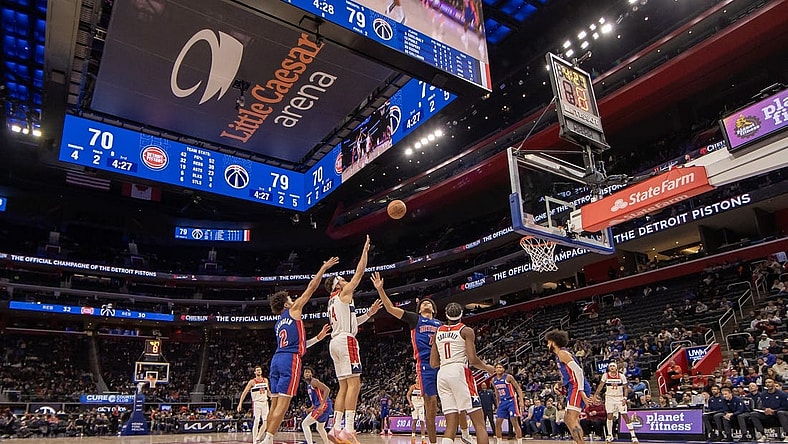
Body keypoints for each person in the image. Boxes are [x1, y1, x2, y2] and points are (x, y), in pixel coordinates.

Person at [259, 257, 339, 444]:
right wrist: (324, 267)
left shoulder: (278, 323)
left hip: (276, 359)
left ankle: (264, 438)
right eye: (290, 299)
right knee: (283, 405)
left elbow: (298, 343)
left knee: (274, 405)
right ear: (286, 304)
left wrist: (318, 338)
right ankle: (269, 439)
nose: (293, 300)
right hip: (290, 360)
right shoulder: (294, 310)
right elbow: (311, 287)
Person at [371, 272, 443, 444]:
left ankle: (460, 435)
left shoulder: (441, 325)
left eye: (429, 303)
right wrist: (381, 290)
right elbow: (390, 309)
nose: (426, 304)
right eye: (423, 303)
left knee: (451, 402)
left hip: (444, 365)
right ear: (419, 309)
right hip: (425, 365)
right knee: (430, 405)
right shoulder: (415, 319)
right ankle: (432, 441)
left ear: (434, 310)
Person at [324, 236, 382, 444]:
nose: (345, 280)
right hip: (346, 341)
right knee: (354, 386)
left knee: (344, 387)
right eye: (341, 279)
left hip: (335, 342)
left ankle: (335, 427)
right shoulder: (343, 293)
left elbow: (350, 321)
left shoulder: (332, 302)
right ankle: (348, 428)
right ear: (336, 286)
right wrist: (365, 252)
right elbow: (359, 274)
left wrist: (368, 314)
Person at [429, 302, 495, 444]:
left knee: (451, 424)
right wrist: (487, 368)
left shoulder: (437, 331)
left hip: (442, 373)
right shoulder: (466, 331)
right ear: (461, 314)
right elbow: (473, 359)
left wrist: (448, 362)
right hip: (459, 371)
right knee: (479, 424)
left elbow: (433, 363)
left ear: (446, 315)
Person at [545, 329, 592, 444]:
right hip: (573, 386)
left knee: (571, 418)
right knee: (567, 418)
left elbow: (579, 371)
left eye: (548, 342)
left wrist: (581, 391)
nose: (547, 344)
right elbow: (570, 373)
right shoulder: (559, 355)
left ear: (554, 342)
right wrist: (560, 384)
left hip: (577, 386)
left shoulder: (562, 353)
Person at [592, 362, 639, 443]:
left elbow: (626, 388)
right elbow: (600, 385)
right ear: (609, 368)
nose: (612, 367)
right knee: (609, 415)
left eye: (613, 366)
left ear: (616, 367)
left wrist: (625, 398)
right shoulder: (605, 375)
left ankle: (633, 435)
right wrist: (595, 395)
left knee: (625, 415)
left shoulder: (621, 376)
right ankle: (610, 435)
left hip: (619, 398)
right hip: (609, 398)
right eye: (611, 366)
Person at [492, 363, 524, 444]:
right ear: (495, 369)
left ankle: (520, 442)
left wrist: (521, 401)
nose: (499, 369)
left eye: (500, 367)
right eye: (497, 367)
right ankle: (499, 441)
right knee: (498, 422)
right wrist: (497, 403)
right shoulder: (494, 380)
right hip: (502, 402)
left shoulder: (508, 377)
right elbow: (497, 393)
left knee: (514, 422)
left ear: (503, 369)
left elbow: (518, 388)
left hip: (511, 401)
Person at [237, 365, 270, 444]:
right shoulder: (252, 382)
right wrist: (240, 403)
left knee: (266, 422)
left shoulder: (265, 380)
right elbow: (244, 393)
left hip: (265, 402)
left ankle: (258, 437)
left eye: (260, 370)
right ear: (255, 372)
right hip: (256, 403)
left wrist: (273, 397)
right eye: (257, 370)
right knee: (257, 421)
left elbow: (268, 391)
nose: (259, 371)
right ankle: (254, 441)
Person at [302, 367, 333, 444]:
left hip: (324, 405)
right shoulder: (308, 386)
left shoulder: (314, 381)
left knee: (304, 424)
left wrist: (322, 405)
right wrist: (310, 408)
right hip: (322, 405)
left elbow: (327, 389)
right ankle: (327, 443)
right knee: (320, 427)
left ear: (312, 374)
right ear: (303, 375)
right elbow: (315, 401)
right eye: (306, 372)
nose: (307, 374)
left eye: (309, 372)